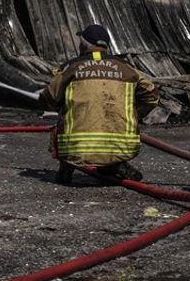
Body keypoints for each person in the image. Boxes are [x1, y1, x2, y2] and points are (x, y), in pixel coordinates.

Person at [39, 24, 160, 184]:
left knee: (65, 111)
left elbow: (49, 98)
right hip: (122, 147)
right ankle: (112, 164)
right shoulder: (126, 68)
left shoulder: (71, 68)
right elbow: (152, 95)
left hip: (75, 148)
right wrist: (133, 114)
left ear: (83, 44)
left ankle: (67, 167)